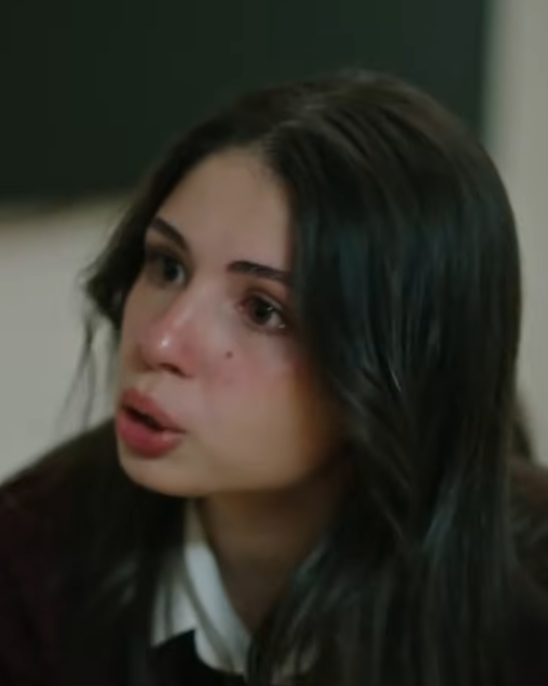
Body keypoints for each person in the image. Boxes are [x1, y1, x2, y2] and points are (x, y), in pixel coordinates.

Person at [1, 69, 548, 686]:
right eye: (168, 266)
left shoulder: (527, 610)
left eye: (263, 310)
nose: (160, 341)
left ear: (398, 363)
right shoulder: (28, 566)